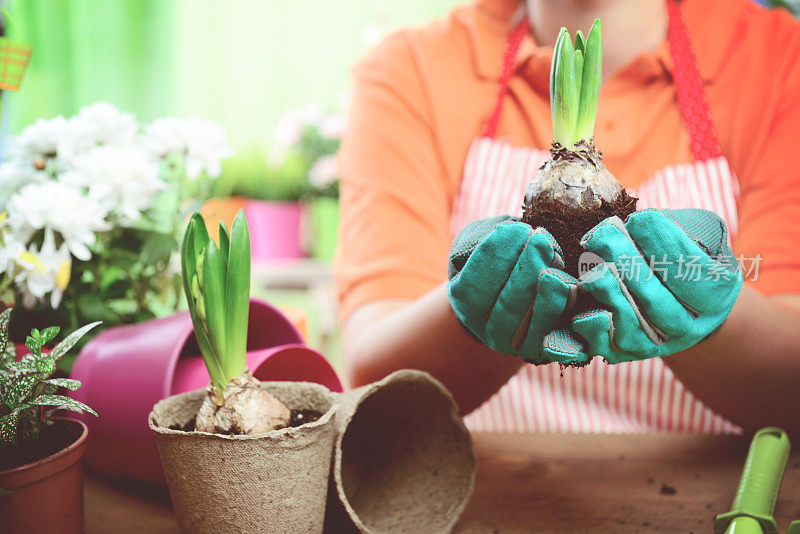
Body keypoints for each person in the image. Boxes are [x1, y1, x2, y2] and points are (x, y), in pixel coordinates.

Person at [334, 0, 800, 435]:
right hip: (483, 483)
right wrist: (469, 313)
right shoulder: (411, 69)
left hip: (703, 488)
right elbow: (375, 380)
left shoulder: (776, 61)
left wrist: (710, 312)